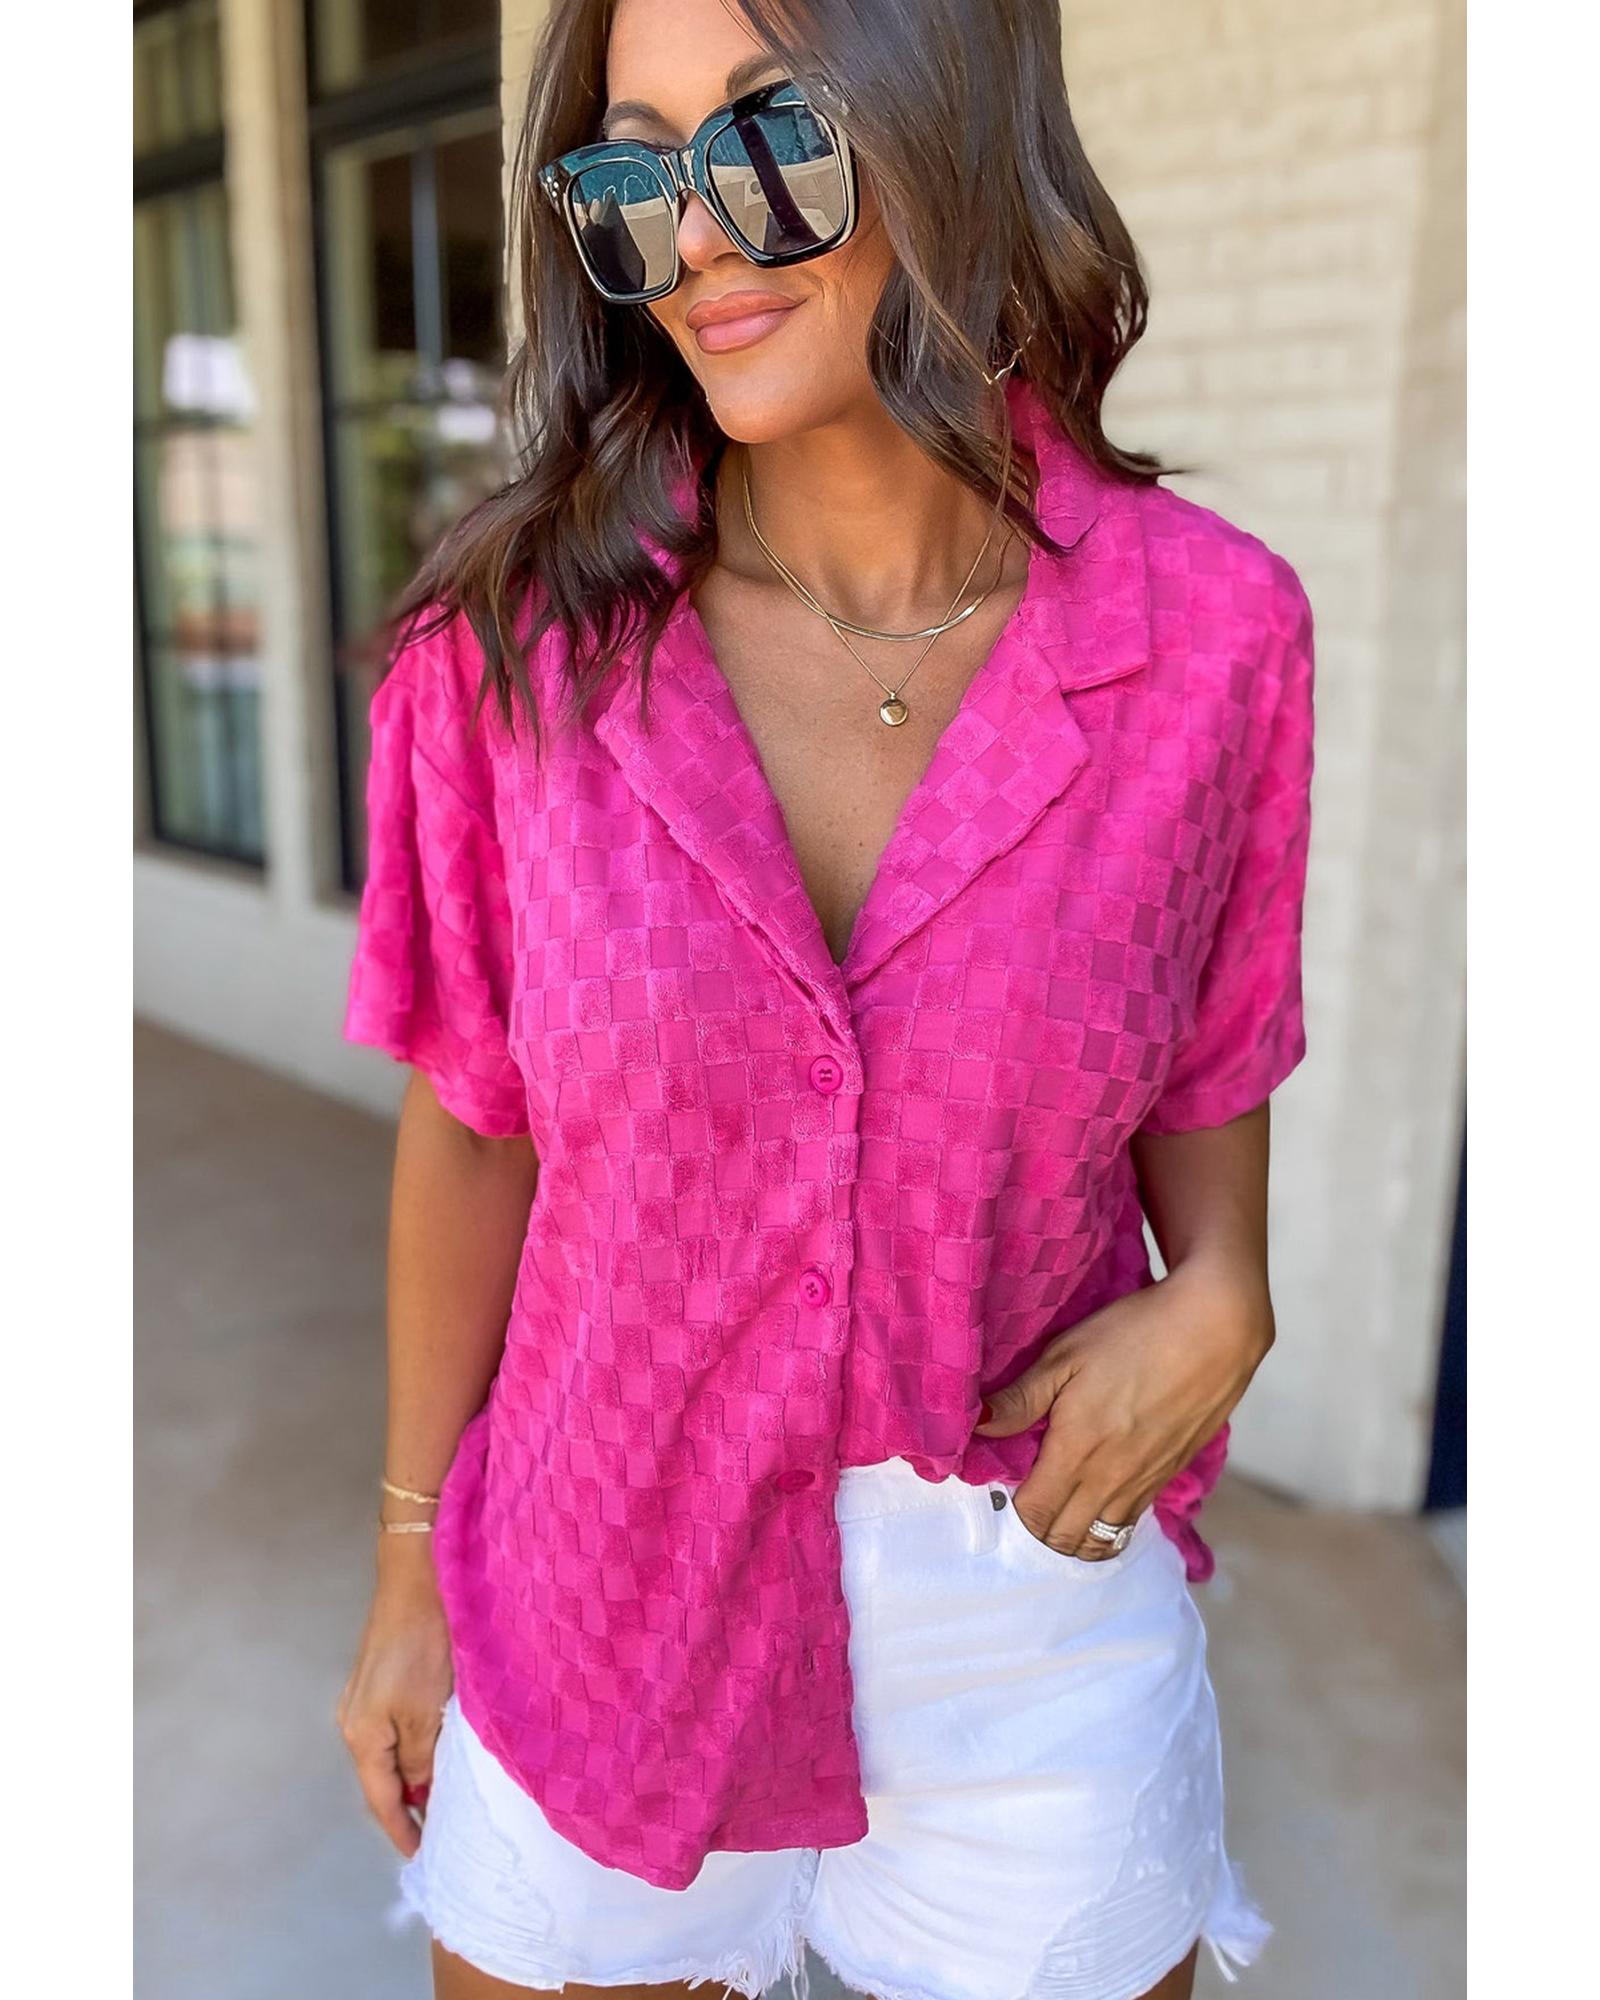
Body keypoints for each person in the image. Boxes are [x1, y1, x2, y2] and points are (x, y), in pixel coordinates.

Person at [335, 2, 1316, 1997]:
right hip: (599, 1590)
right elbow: (471, 1124)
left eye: (770, 140)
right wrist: (407, 1562)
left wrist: (1225, 1289)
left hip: (1030, 1617)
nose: (694, 237)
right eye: (632, 172)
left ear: (950, 116)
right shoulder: (508, 655)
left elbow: (1210, 1071)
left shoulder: (1214, 639)